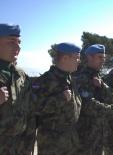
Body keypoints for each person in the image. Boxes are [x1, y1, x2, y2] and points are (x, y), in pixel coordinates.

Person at [72, 44, 113, 155]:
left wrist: (102, 86)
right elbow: (87, 105)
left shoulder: (99, 77)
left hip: (99, 133)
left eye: (104, 58)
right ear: (90, 57)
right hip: (85, 134)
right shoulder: (82, 78)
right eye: (100, 57)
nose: (103, 61)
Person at [32, 43, 82, 155]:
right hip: (52, 144)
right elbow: (35, 108)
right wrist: (60, 98)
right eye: (77, 57)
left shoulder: (70, 79)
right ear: (65, 58)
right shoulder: (45, 80)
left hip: (71, 141)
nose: (79, 61)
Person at [0, 23, 35, 155]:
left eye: (19, 42)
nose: (18, 47)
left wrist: (28, 147)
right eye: (11, 42)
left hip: (18, 147)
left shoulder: (21, 74)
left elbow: (29, 113)